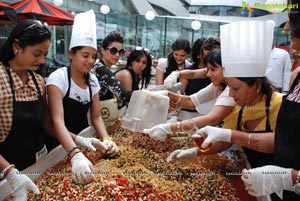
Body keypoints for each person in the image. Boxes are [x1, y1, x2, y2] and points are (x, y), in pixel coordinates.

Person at [167, 21, 282, 171]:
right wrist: (195, 152)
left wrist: (230, 134)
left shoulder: (281, 105)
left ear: (258, 85)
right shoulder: (238, 109)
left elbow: (282, 143)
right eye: (229, 87)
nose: (231, 94)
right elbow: (224, 143)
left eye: (235, 88)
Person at [47, 10, 119, 185]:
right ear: (71, 54)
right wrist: (75, 153)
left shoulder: (92, 80)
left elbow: (96, 116)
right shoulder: (58, 79)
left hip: (85, 140)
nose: (90, 61)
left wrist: (107, 140)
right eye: (85, 56)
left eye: (93, 56)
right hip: (59, 143)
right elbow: (57, 122)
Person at [241, 1, 300, 200]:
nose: (286, 27)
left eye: (292, 18)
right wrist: (228, 135)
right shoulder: (298, 76)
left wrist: (289, 178)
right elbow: (286, 139)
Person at [0, 19, 52, 200]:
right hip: (7, 177)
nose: (42, 60)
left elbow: (49, 125)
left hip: (38, 167)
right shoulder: (1, 80)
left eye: (44, 54)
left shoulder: (38, 82)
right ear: (16, 46)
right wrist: (11, 173)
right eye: (37, 53)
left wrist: (78, 144)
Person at [143, 50, 235, 141]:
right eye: (208, 70)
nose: (208, 74)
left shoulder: (231, 89)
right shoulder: (218, 84)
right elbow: (191, 101)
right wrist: (167, 95)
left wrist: (170, 127)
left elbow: (212, 119)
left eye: (213, 70)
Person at [92, 30, 131, 106]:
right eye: (113, 50)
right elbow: (123, 94)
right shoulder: (101, 70)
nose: (117, 55)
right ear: (102, 50)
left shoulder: (100, 67)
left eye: (120, 52)